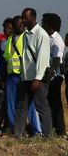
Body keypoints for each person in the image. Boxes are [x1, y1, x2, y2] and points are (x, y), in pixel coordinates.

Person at [13, 8, 52, 137]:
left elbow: (42, 58)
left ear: (33, 18)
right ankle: (17, 134)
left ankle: (47, 136)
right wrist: (23, 75)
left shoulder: (41, 34)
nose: (23, 20)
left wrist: (38, 78)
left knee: (41, 107)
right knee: (21, 107)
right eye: (22, 17)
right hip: (25, 77)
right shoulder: (25, 34)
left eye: (26, 17)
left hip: (37, 78)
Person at [42, 13, 65, 136]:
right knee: (50, 104)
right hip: (50, 76)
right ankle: (53, 129)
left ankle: (60, 131)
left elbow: (56, 61)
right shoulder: (48, 37)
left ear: (50, 24)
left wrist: (47, 78)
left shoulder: (57, 40)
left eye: (44, 21)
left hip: (54, 77)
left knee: (55, 104)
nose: (42, 24)